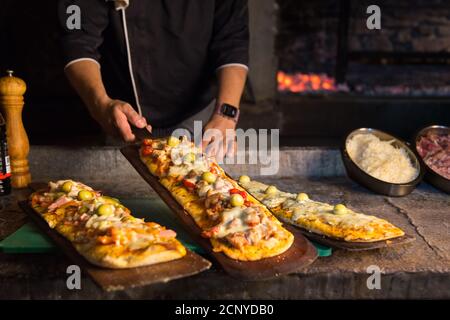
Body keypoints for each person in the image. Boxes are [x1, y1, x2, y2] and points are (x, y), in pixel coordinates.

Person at [58, 0, 249, 158]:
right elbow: (77, 42)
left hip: (199, 115)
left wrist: (227, 114)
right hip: (123, 116)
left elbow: (233, 39)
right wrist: (100, 104)